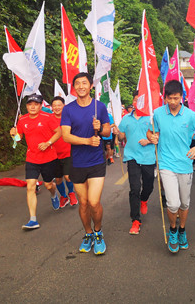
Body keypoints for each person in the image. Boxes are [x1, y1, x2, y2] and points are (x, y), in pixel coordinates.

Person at [148, 80, 195, 253]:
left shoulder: (190, 115)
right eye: (170, 98)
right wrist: (152, 136)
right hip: (166, 164)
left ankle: (182, 229)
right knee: (173, 204)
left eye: (176, 98)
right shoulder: (158, 113)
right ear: (165, 97)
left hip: (185, 164)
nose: (173, 102)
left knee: (184, 203)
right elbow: (151, 131)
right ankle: (173, 230)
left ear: (182, 97)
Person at [61, 72, 111, 255]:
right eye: (77, 83)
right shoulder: (68, 109)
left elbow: (107, 130)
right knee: (83, 203)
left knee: (93, 201)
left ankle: (98, 232)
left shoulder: (100, 107)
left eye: (84, 83)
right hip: (77, 162)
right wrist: (87, 141)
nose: (81, 86)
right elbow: (66, 135)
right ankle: (88, 233)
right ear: (74, 88)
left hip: (96, 161)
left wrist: (101, 128)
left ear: (91, 86)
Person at [11, 93, 62, 230]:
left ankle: (53, 194)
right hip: (32, 158)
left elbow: (59, 132)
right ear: (26, 106)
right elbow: (18, 139)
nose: (32, 107)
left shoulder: (48, 117)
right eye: (30, 104)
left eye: (36, 104)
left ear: (40, 106)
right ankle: (33, 219)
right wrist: (14, 134)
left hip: (48, 157)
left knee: (48, 185)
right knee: (30, 186)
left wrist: (48, 142)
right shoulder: (22, 120)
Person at [116, 91, 155, 235]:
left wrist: (149, 140)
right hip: (132, 156)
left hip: (148, 157)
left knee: (148, 185)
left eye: (140, 100)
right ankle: (136, 220)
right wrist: (117, 133)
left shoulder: (151, 118)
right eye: (135, 100)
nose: (136, 102)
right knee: (134, 188)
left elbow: (159, 135)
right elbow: (121, 137)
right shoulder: (126, 118)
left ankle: (144, 200)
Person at [50, 96, 78, 208]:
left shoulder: (69, 118)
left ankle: (71, 193)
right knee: (58, 179)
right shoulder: (48, 118)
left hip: (68, 152)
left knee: (67, 176)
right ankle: (63, 197)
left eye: (59, 105)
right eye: (54, 105)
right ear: (51, 107)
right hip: (53, 154)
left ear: (63, 106)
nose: (57, 107)